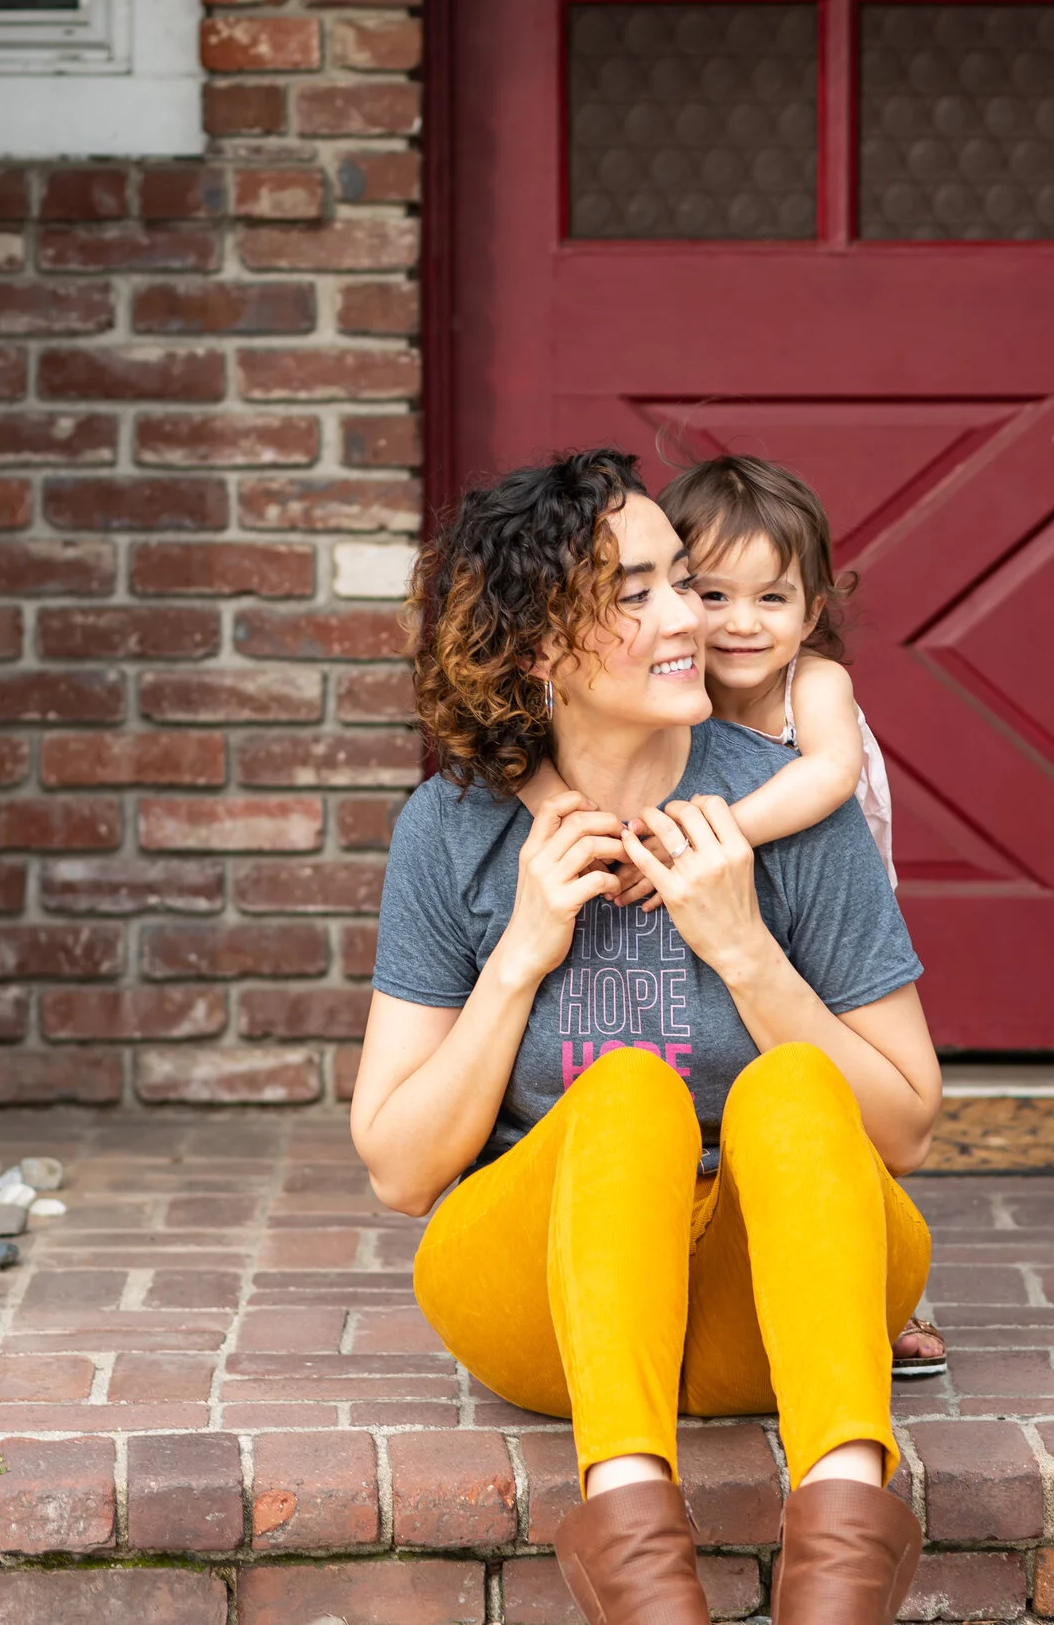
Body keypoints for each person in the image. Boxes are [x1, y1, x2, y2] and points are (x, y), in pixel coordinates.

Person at [353, 448, 945, 1625]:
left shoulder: (784, 805)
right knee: (627, 1098)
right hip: (546, 1315)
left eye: (681, 577)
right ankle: (641, 1566)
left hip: (767, 1307)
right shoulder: (454, 830)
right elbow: (400, 1167)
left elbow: (907, 1128)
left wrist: (742, 947)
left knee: (790, 1094)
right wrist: (521, 950)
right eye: (636, 593)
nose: (689, 617)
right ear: (533, 649)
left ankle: (838, 1574)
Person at [644, 454, 948, 1380]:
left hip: (826, 907)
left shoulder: (811, 686)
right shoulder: (662, 689)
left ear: (812, 611)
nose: (740, 623)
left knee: (842, 1083)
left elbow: (826, 775)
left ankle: (886, 1284)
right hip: (726, 899)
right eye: (711, 592)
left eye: (772, 599)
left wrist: (717, 830)